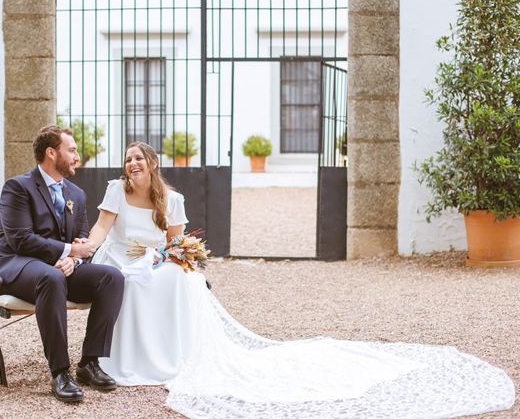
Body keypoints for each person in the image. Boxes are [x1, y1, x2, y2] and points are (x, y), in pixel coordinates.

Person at [85, 141, 515, 418]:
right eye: (127, 160)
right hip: (121, 258)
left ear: (152, 165)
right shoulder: (114, 191)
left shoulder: (171, 198)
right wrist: (87, 246)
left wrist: (166, 259)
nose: (131, 164)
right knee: (130, 282)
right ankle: (119, 360)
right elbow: (104, 230)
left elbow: (176, 243)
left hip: (156, 260)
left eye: (137, 159)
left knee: (177, 281)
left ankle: (172, 359)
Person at [0, 125, 125, 403]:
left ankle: (89, 364)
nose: (77, 156)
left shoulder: (77, 193)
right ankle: (60, 373)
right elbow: (20, 240)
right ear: (51, 153)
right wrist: (68, 251)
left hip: (57, 268)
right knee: (50, 277)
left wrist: (74, 258)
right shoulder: (17, 187)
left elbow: (83, 239)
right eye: (71, 150)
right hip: (15, 264)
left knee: (112, 278)